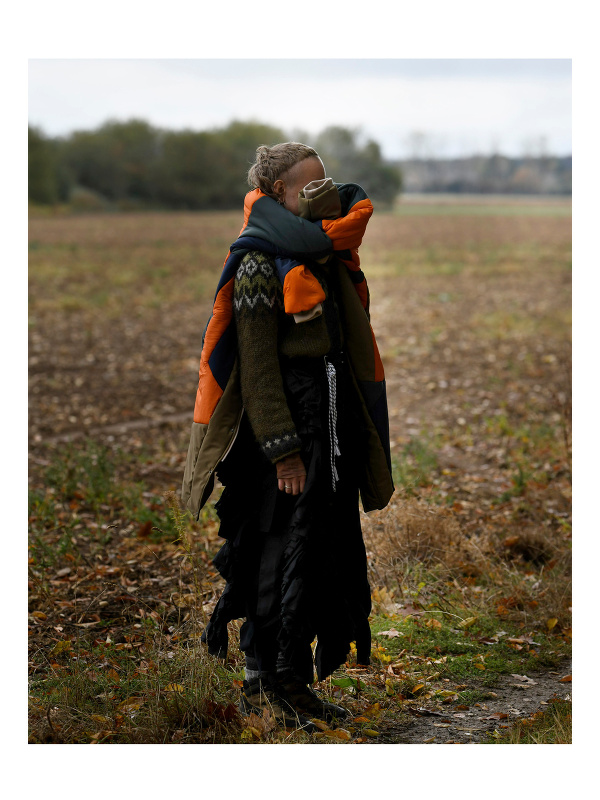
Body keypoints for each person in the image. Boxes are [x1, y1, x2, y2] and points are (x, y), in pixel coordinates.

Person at [181, 142, 394, 733]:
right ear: (279, 192)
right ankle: (271, 682)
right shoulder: (257, 262)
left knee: (316, 550)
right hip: (282, 436)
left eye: (326, 182)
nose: (322, 193)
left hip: (326, 423)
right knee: (275, 553)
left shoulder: (321, 252)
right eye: (309, 186)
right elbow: (256, 367)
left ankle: (289, 680)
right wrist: (283, 452)